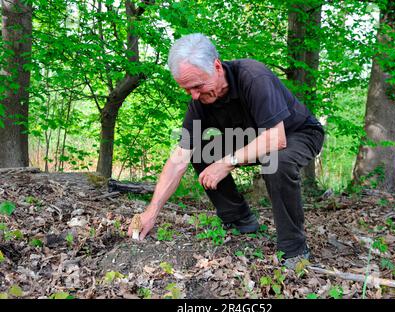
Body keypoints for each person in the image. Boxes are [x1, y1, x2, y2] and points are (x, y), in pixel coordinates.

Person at [127, 33, 324, 268]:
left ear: (217, 66)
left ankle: (293, 249)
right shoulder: (199, 101)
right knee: (200, 151)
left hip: (297, 133)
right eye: (187, 89)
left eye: (198, 86)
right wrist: (151, 211)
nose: (194, 95)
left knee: (276, 161)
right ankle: (240, 220)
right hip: (250, 138)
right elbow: (180, 158)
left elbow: (276, 138)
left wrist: (226, 162)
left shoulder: (253, 76)